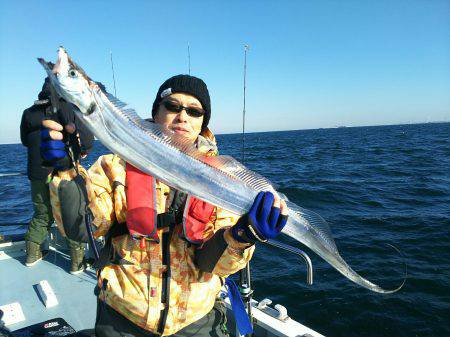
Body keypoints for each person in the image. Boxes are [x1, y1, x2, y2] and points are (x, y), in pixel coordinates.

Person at [41, 74, 288, 336]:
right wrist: (66, 173)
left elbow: (214, 265)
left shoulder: (224, 181)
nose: (183, 116)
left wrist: (244, 234)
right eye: (173, 106)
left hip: (196, 321)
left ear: (203, 122)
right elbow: (82, 229)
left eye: (194, 111)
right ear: (156, 113)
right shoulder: (114, 166)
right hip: (122, 318)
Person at [20, 77, 94, 273]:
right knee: (70, 215)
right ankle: (77, 263)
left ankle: (32, 255)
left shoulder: (28, 113)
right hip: (64, 172)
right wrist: (84, 149)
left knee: (42, 214)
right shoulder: (69, 108)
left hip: (37, 172)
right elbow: (87, 140)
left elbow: (25, 141)